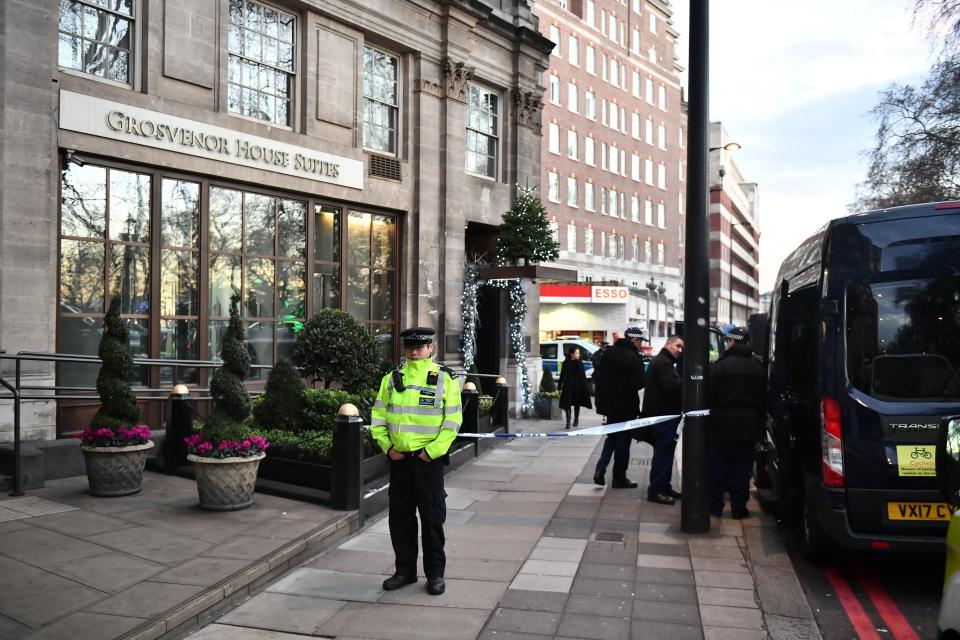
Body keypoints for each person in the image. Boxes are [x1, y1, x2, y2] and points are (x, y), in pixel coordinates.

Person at [370, 327, 462, 595]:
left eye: (420, 347)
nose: (414, 351)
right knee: (400, 520)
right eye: (409, 346)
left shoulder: (444, 378)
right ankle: (405, 571)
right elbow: (378, 419)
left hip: (427, 462)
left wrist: (431, 452)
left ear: (430, 348)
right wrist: (388, 449)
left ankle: (435, 574)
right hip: (399, 462)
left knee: (432, 520)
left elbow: (453, 421)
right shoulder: (391, 378)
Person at [708, 326, 766, 519]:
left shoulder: (720, 366)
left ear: (731, 341)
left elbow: (710, 395)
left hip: (721, 423)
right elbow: (763, 399)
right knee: (742, 467)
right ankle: (739, 508)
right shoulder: (758, 366)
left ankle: (715, 506)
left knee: (719, 465)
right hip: (748, 424)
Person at [593, 327, 646, 488]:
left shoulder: (608, 353)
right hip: (625, 406)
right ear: (634, 340)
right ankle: (619, 477)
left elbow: (599, 377)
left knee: (611, 438)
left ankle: (600, 469)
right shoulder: (633, 358)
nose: (641, 344)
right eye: (640, 341)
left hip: (609, 406)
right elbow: (638, 383)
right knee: (623, 442)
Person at [642, 334, 684, 505]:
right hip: (663, 418)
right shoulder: (664, 363)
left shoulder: (663, 362)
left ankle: (664, 486)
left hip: (662, 417)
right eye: (677, 346)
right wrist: (685, 382)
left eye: (682, 348)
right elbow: (671, 387)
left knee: (665, 454)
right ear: (668, 344)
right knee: (663, 454)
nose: (680, 350)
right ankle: (656, 490)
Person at [558, 346, 592, 429]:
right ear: (571, 354)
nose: (578, 355)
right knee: (567, 404)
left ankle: (576, 419)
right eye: (577, 353)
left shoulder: (580, 363)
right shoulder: (566, 363)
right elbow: (562, 375)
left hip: (578, 387)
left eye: (578, 353)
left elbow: (583, 376)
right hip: (568, 387)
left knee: (577, 404)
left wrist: (585, 387)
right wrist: (559, 386)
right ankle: (568, 422)